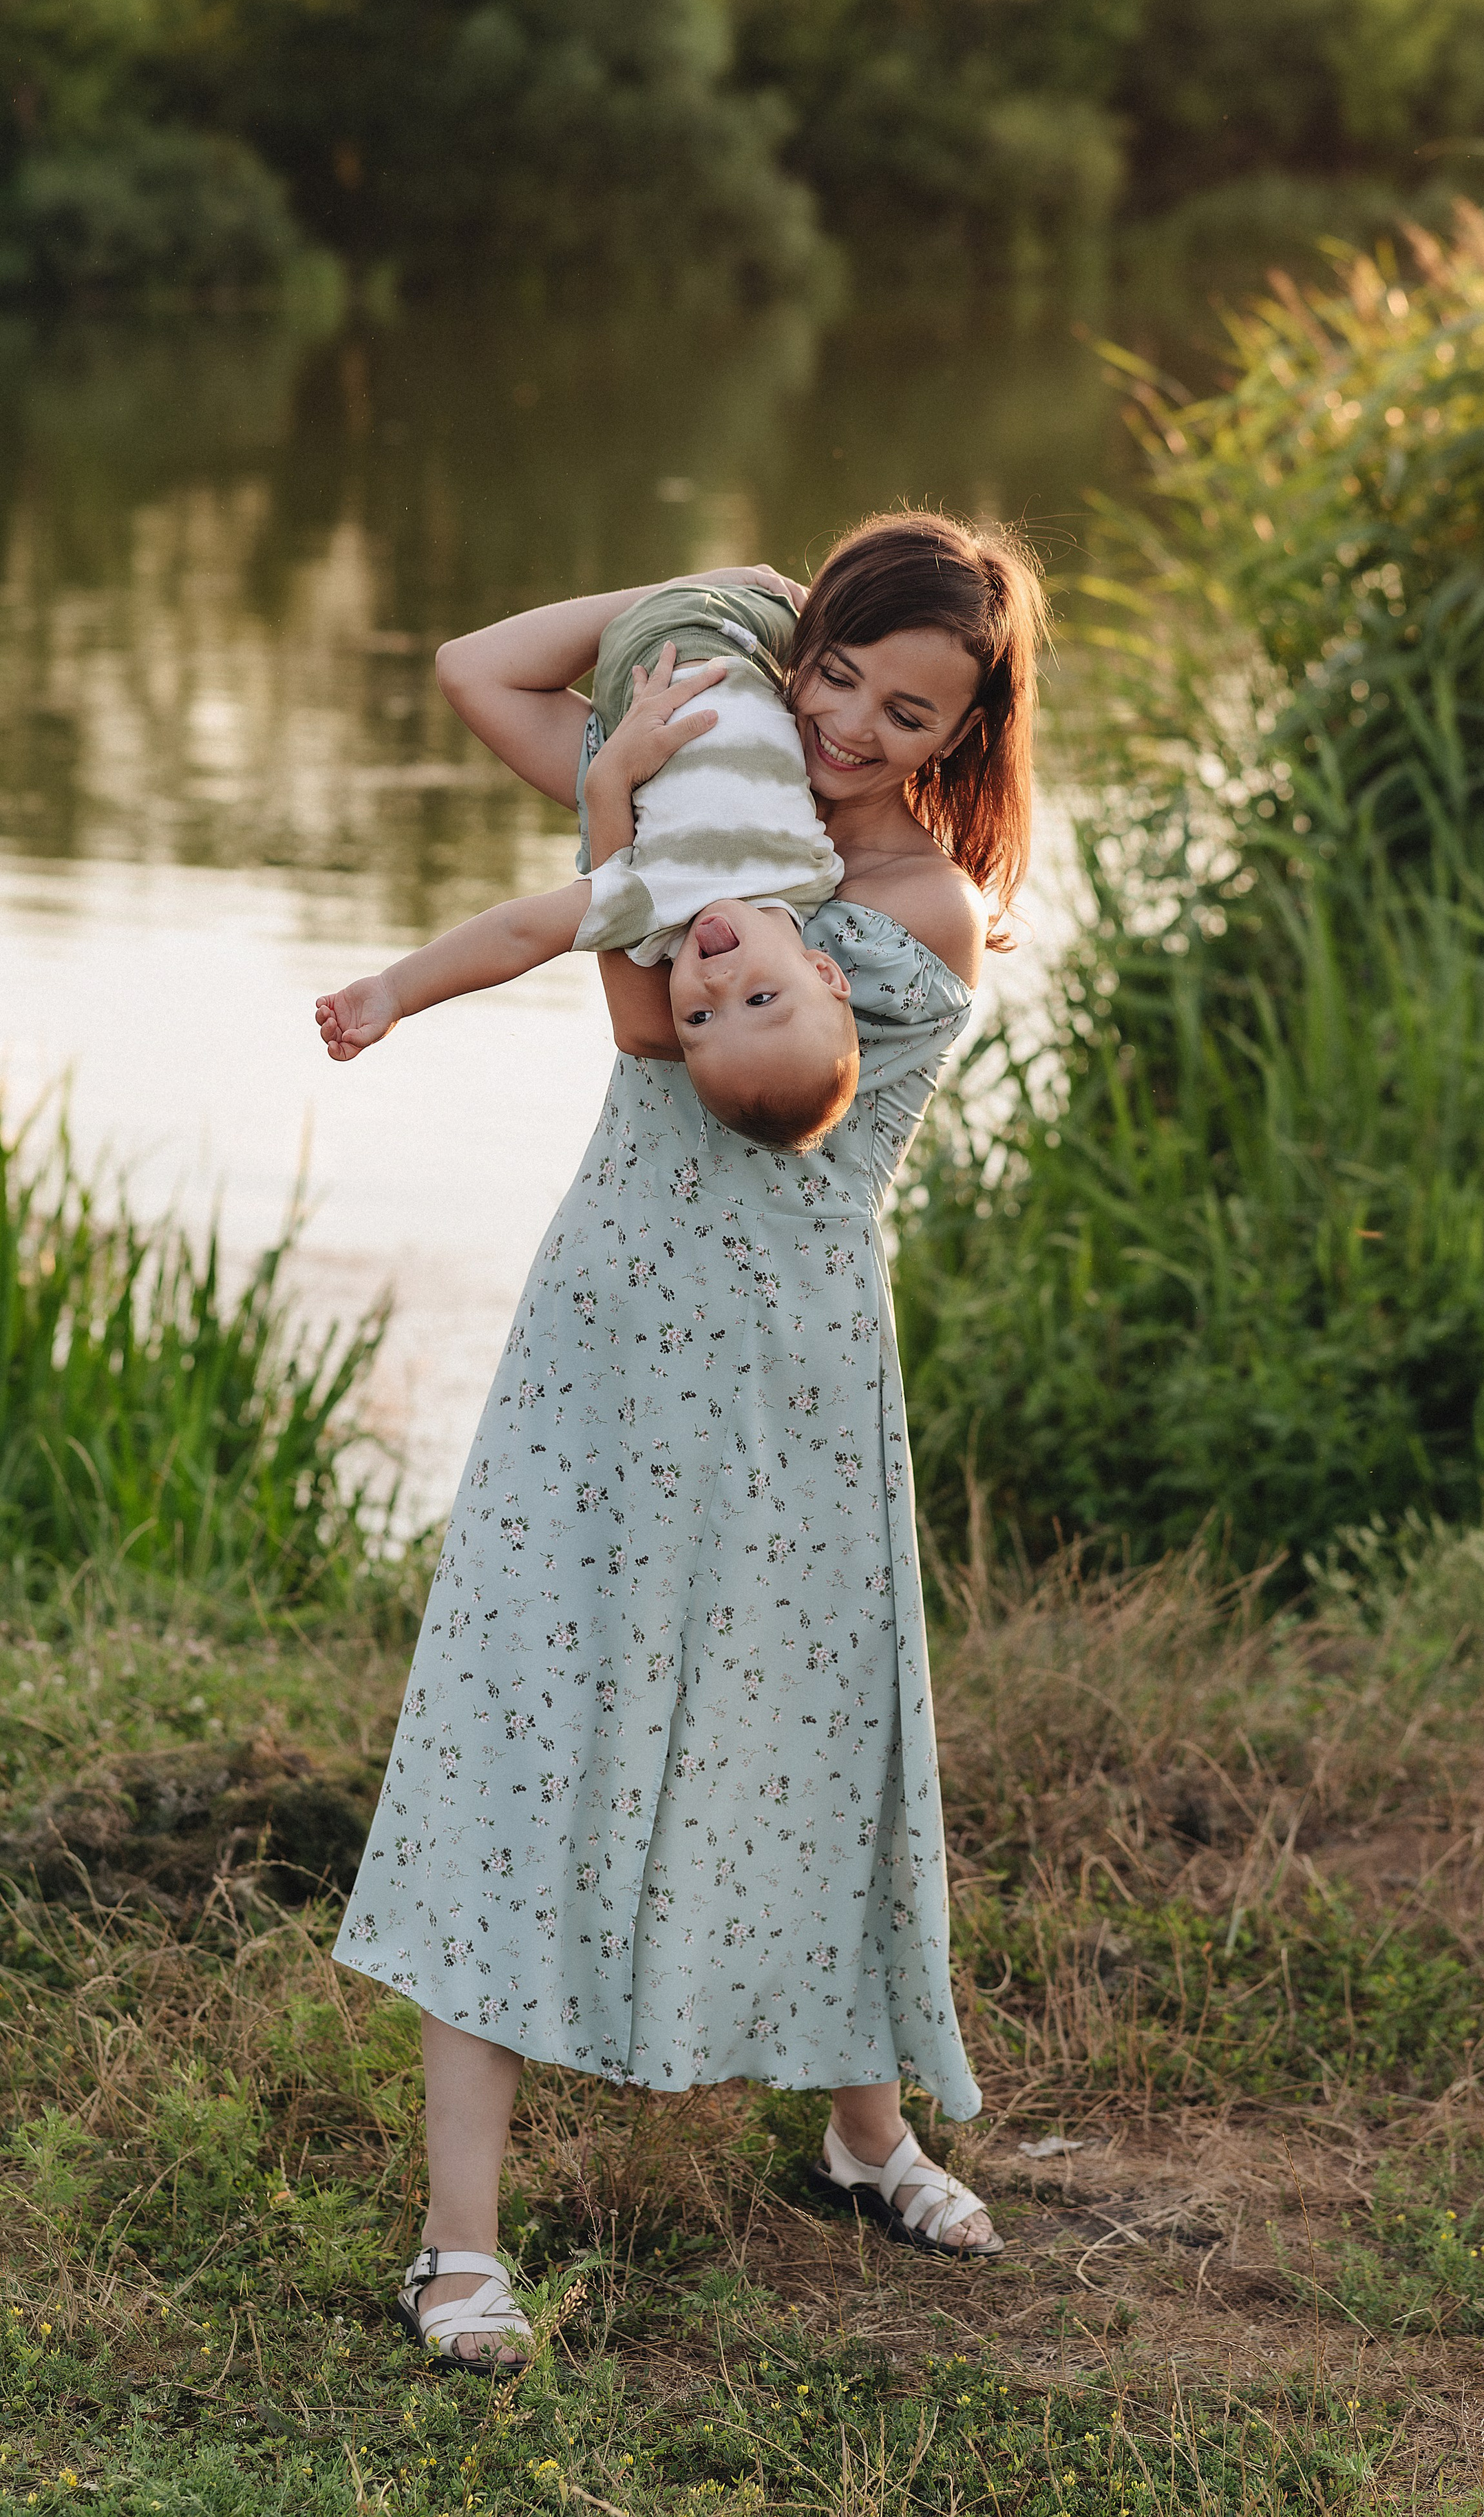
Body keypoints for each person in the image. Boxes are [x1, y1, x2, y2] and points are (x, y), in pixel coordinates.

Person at [330, 512, 1045, 2372]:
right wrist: (705, 604)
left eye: (908, 709)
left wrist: (618, 816)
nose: (854, 726)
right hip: (610, 1336)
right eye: (834, 672)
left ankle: (864, 2125)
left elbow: (672, 1042)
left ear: (962, 736)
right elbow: (477, 663)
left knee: (822, 1731)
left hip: (794, 1371)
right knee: (519, 1718)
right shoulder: (720, 776)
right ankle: (458, 2242)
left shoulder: (915, 908)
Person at [315, 578, 860, 1152]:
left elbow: (518, 933)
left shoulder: (649, 906)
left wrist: (394, 992)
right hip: (767, 643)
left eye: (698, 1019)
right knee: (853, 620)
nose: (719, 984)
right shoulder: (817, 878)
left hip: (658, 647)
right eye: (760, 1000)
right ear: (823, 972)